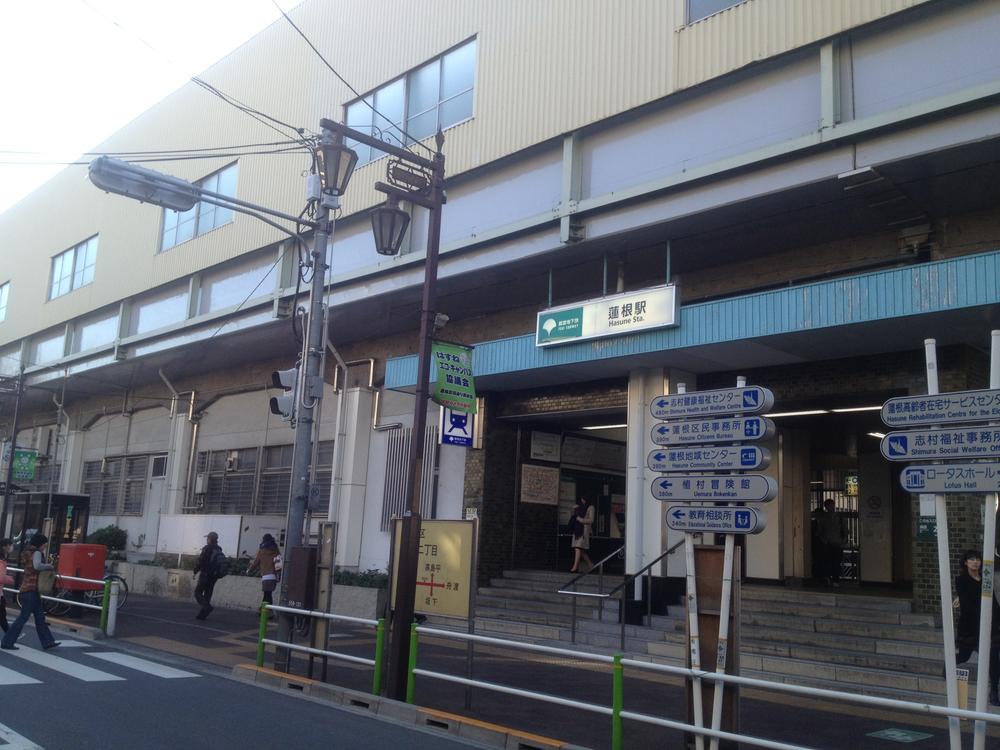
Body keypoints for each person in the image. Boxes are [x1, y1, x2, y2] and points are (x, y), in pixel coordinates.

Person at [1, 534, 59, 651]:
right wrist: (49, 566)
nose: (44, 547)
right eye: (44, 545)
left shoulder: (26, 552)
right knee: (23, 618)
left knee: (39, 617)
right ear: (40, 544)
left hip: (28, 589)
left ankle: (48, 642)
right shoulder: (36, 552)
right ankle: (7, 642)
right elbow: (37, 566)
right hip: (31, 590)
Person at [246, 533, 280, 612]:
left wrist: (249, 570)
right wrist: (278, 575)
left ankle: (266, 612)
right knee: (268, 594)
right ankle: (264, 610)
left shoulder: (262, 550)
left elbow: (256, 562)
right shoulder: (276, 550)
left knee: (267, 595)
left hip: (265, 576)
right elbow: (278, 563)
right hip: (273, 576)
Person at [193, 531, 223, 621]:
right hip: (214, 576)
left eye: (208, 538)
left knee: (197, 593)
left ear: (210, 539)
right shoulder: (219, 549)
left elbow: (201, 561)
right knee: (207, 595)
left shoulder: (207, 548)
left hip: (205, 574)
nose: (207, 540)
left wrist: (195, 570)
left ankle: (207, 607)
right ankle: (202, 615)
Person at [815, 499, 845, 587]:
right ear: (826, 507)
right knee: (828, 562)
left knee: (836, 562)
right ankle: (829, 578)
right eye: (829, 506)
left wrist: (843, 540)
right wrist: (824, 540)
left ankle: (835, 579)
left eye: (832, 505)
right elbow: (819, 531)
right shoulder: (823, 518)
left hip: (837, 543)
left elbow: (845, 530)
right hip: (828, 543)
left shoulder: (839, 517)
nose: (831, 507)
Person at [570, 497, 595, 573]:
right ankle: (590, 564)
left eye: (583, 498)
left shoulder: (591, 507)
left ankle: (575, 567)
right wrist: (573, 509)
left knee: (577, 548)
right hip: (577, 530)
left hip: (584, 531)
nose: (582, 500)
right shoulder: (579, 506)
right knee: (581, 550)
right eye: (581, 499)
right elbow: (573, 516)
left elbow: (591, 520)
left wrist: (581, 520)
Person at [0, 539, 12, 632]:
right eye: (10, 545)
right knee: (2, 615)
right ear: (4, 546)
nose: (11, 547)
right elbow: (1, 578)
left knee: (2, 615)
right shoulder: (1, 561)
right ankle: (9, 637)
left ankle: (9, 636)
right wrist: (10, 579)